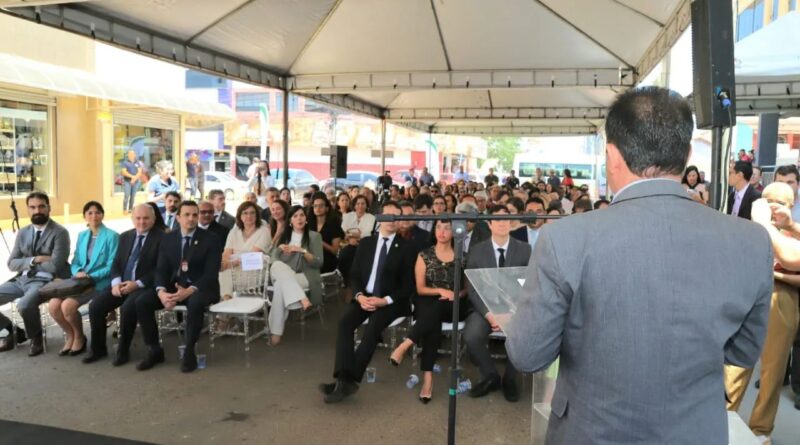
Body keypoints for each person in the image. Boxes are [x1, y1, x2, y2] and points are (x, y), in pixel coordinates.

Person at [506, 87, 774, 444]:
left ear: (612, 155)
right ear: (687, 154)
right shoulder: (751, 241)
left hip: (590, 433)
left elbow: (527, 354)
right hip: (697, 433)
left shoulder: (565, 239)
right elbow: (743, 352)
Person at [724, 182, 799, 443]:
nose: (777, 206)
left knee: (774, 371)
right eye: (771, 200)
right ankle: (724, 418)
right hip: (745, 298)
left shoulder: (791, 233)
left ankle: (762, 429)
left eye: (785, 202)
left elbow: (792, 259)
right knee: (734, 366)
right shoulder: (746, 229)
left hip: (782, 300)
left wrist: (777, 272)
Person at [320, 201, 415, 403]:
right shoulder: (366, 243)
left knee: (373, 327)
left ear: (399, 221)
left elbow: (407, 286)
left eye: (395, 216)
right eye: (387, 215)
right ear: (379, 217)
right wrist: (359, 296)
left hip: (392, 301)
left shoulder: (407, 248)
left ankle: (347, 380)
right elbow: (354, 275)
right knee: (345, 322)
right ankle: (343, 380)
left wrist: (384, 301)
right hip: (365, 297)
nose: (391, 220)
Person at [135, 201, 222, 373]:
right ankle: (154, 349)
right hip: (173, 287)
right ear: (178, 217)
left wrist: (188, 291)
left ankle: (190, 350)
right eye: (187, 215)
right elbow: (160, 269)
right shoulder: (168, 239)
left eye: (195, 215)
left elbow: (211, 274)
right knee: (142, 301)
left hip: (201, 287)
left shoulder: (211, 239)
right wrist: (161, 292)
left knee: (195, 304)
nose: (191, 219)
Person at [389, 219, 467, 403]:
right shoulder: (424, 255)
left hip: (454, 304)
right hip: (428, 299)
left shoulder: (462, 256)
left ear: (454, 232)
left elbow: (467, 288)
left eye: (447, 228)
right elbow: (420, 288)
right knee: (432, 317)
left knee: (434, 311)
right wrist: (440, 290)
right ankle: (428, 379)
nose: (442, 231)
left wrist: (455, 294)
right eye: (439, 227)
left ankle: (404, 345)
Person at [83, 204, 166, 365]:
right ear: (132, 219)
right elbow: (116, 263)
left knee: (128, 307)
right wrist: (115, 283)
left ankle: (123, 350)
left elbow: (161, 269)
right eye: (138, 218)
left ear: (154, 219)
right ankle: (98, 349)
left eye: (146, 218)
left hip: (144, 286)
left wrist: (137, 284)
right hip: (121, 284)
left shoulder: (162, 238)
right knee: (95, 306)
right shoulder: (125, 236)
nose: (142, 222)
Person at [465, 204, 531, 401]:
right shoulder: (477, 251)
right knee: (471, 335)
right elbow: (472, 289)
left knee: (520, 335)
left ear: (511, 223)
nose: (502, 223)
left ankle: (510, 379)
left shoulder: (525, 250)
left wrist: (511, 311)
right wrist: (489, 313)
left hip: (514, 308)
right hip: (485, 307)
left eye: (506, 219)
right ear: (490, 224)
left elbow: (528, 285)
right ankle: (491, 375)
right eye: (497, 219)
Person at [0, 192, 70, 356]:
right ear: (28, 209)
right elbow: (11, 263)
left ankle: (36, 337)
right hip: (21, 279)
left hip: (45, 281)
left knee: (24, 304)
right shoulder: (23, 232)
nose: (37, 210)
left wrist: (26, 263)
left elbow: (55, 266)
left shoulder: (60, 233)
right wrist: (35, 259)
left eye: (41, 206)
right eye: (32, 207)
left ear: (48, 208)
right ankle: (14, 331)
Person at [48, 201, 119, 356]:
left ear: (102, 215)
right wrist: (78, 271)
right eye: (90, 213)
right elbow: (76, 261)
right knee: (53, 305)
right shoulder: (82, 235)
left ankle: (79, 337)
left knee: (67, 307)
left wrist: (90, 276)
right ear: (84, 216)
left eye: (98, 212)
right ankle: (71, 335)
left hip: (99, 282)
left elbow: (112, 265)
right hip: (79, 280)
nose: (94, 216)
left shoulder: (112, 236)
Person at [268, 205, 323, 345]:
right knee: (277, 265)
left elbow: (318, 263)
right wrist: (279, 250)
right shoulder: (283, 235)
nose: (299, 218)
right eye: (295, 216)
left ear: (306, 219)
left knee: (280, 286)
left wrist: (302, 251)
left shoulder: (314, 236)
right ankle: (300, 297)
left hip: (305, 275)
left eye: (302, 215)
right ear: (290, 220)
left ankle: (275, 334)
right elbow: (272, 258)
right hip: (284, 272)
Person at [220, 201, 271, 299]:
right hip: (233, 270)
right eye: (245, 213)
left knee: (223, 273)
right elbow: (226, 254)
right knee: (220, 271)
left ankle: (226, 304)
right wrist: (229, 262)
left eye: (252, 213)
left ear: (257, 215)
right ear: (240, 216)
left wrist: (232, 261)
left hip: (254, 272)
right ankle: (227, 300)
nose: (249, 216)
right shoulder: (234, 231)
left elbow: (253, 257)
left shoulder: (264, 231)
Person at [308, 193, 344, 274]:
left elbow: (335, 251)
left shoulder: (334, 226)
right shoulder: (309, 224)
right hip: (310, 257)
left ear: (327, 208)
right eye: (315, 206)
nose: (318, 208)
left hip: (327, 259)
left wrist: (320, 242)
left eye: (321, 206)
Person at [121, 150, 144, 214]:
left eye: (132, 154)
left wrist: (134, 179)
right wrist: (132, 177)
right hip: (127, 182)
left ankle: (130, 209)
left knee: (133, 196)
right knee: (127, 196)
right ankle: (125, 209)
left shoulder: (138, 163)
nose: (131, 155)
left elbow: (140, 172)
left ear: (135, 155)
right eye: (130, 154)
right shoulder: (125, 163)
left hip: (135, 182)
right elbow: (124, 172)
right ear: (128, 155)